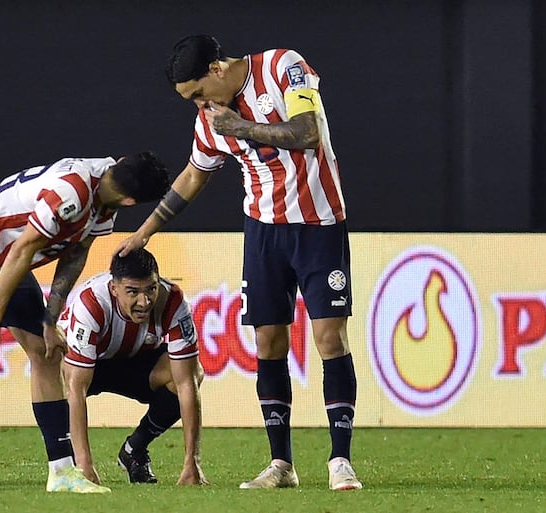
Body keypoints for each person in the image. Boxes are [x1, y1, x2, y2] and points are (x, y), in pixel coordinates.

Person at [117, 35, 362, 491]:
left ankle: (340, 460)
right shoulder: (210, 120)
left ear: (216, 70)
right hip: (263, 233)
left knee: (329, 338)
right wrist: (145, 230)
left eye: (196, 93)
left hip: (319, 225)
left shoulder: (282, 66)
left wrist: (241, 128)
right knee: (268, 342)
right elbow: (194, 174)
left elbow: (309, 131)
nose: (196, 104)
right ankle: (281, 465)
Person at [0, 152, 169, 494]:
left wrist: (50, 318)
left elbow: (75, 253)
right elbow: (24, 248)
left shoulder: (104, 193)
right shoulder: (72, 192)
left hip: (5, 260)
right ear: (132, 201)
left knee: (47, 351)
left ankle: (62, 471)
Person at [59, 248, 207, 486]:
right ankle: (62, 460)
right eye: (133, 292)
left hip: (137, 363)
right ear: (114, 289)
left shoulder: (173, 300)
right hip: (91, 365)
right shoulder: (91, 303)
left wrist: (192, 463)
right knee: (58, 375)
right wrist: (85, 465)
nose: (144, 301)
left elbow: (186, 383)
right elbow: (76, 387)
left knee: (192, 373)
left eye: (151, 289)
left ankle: (134, 450)